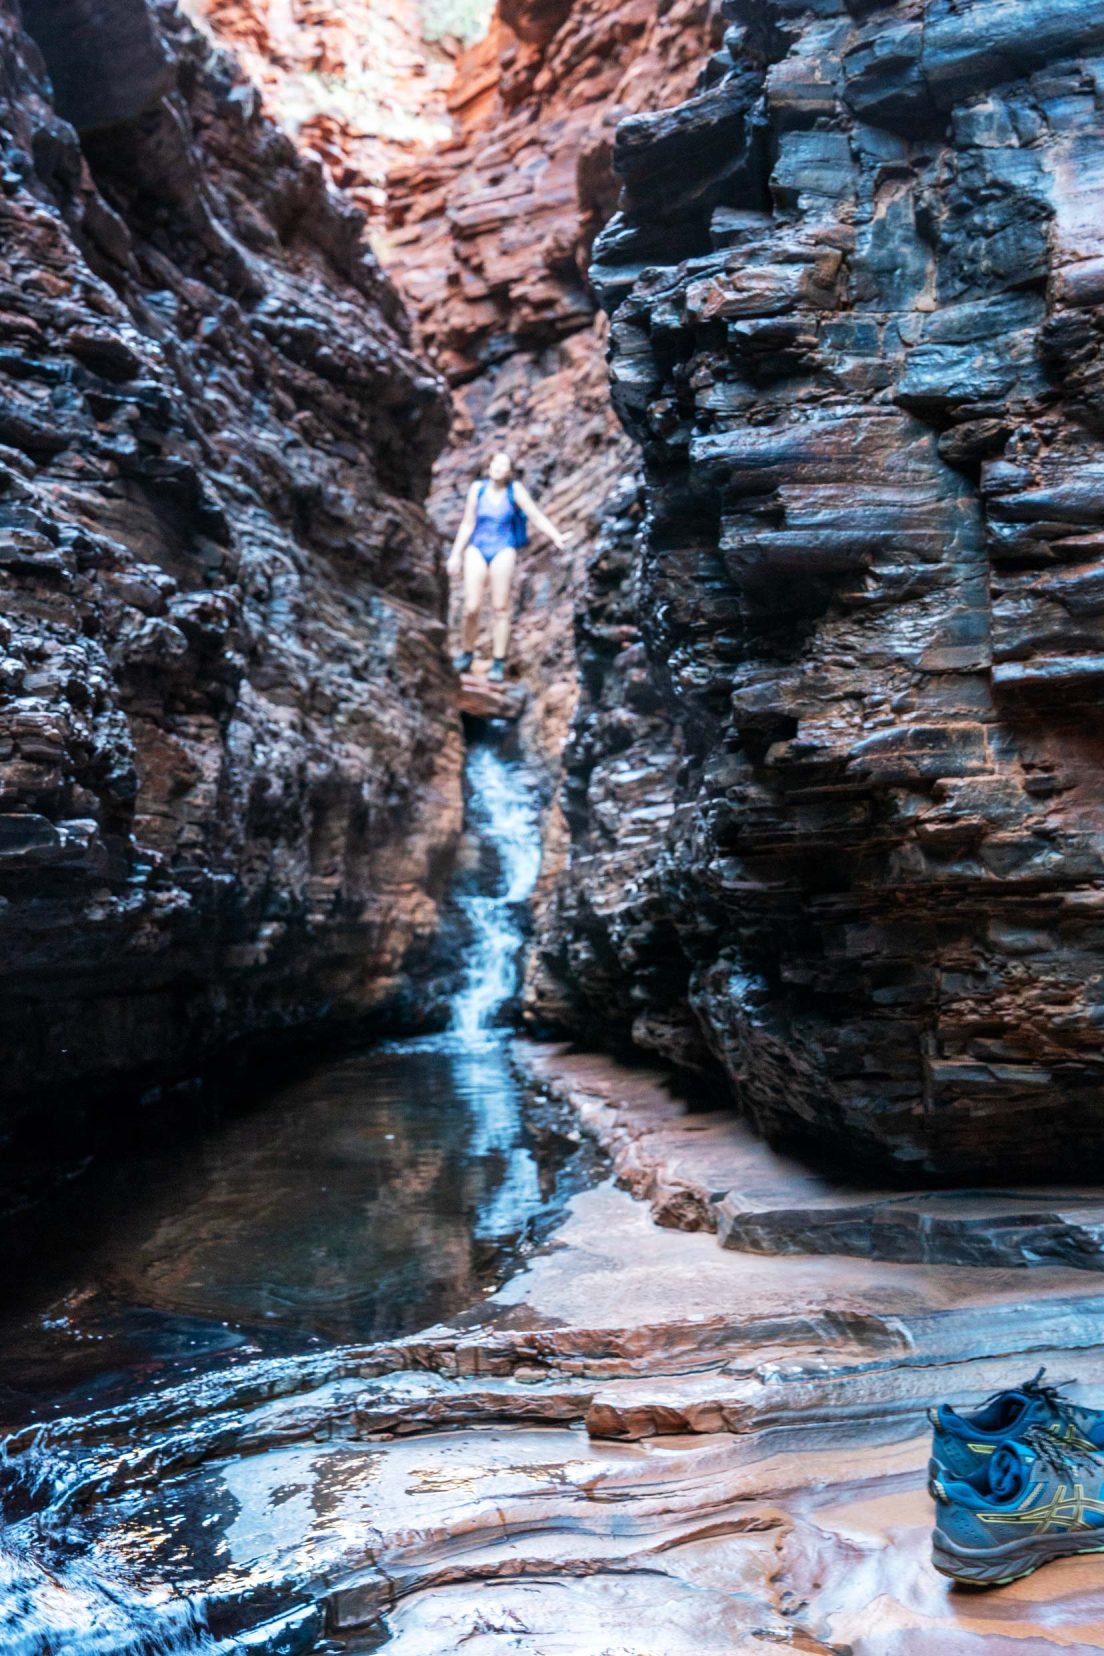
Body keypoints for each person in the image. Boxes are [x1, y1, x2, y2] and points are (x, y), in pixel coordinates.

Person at [447, 451, 568, 683]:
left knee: (500, 607)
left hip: (504, 548)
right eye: (496, 462)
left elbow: (535, 515)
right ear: (489, 464)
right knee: (471, 606)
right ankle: (467, 652)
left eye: (505, 464)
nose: (499, 467)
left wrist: (556, 536)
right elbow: (467, 524)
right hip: (477, 547)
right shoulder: (477, 489)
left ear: (509, 470)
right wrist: (455, 554)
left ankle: (498, 661)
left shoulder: (515, 491)